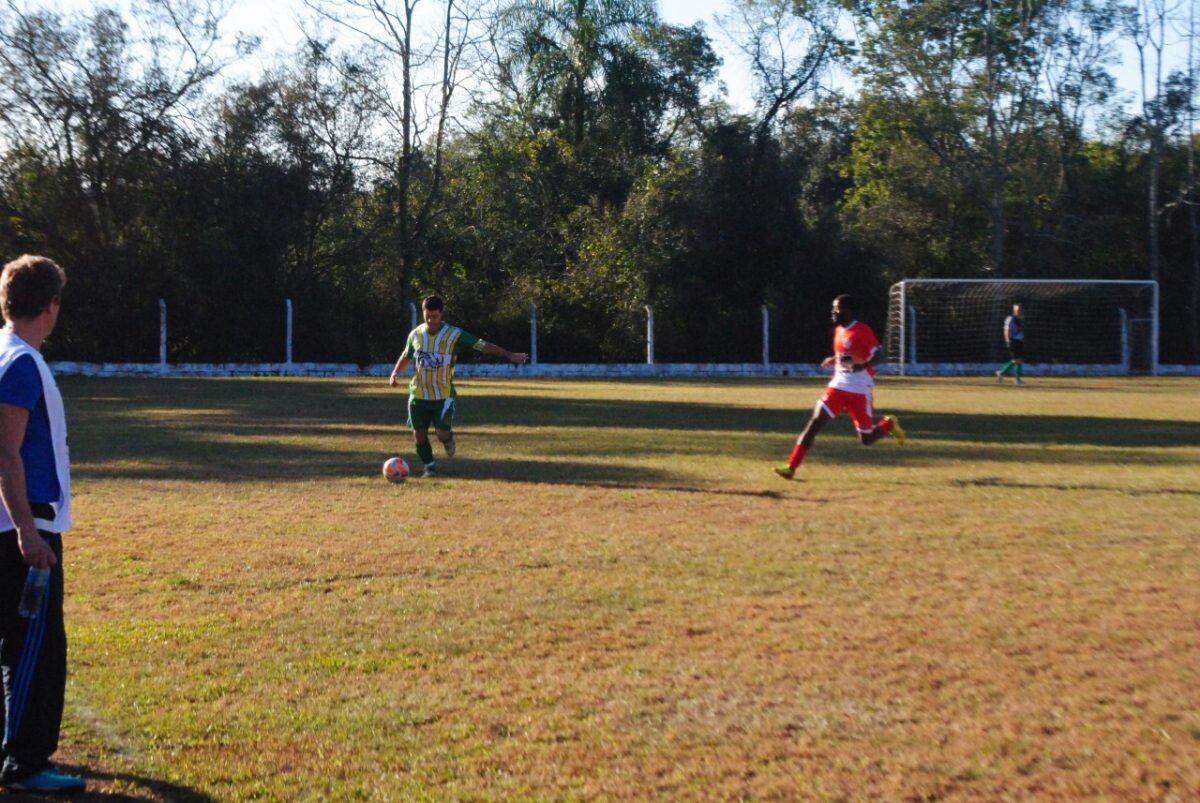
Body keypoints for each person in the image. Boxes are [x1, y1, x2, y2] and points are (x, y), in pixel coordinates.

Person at [0, 255, 84, 793]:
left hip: (15, 526)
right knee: (36, 647)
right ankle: (25, 762)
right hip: (23, 531)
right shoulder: (22, 363)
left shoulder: (9, 354)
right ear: (50, 306)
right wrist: (29, 531)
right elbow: (6, 451)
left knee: (19, 642)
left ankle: (17, 748)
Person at [389, 295, 528, 477]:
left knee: (442, 434)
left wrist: (509, 355)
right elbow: (407, 355)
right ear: (423, 313)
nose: (430, 320)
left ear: (442, 314)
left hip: (443, 396)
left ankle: (448, 439)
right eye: (427, 316)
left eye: (435, 316)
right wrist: (395, 373)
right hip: (418, 395)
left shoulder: (454, 334)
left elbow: (483, 346)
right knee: (419, 435)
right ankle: (429, 466)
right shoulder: (416, 334)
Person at [774, 294, 906, 480]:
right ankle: (790, 467)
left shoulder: (862, 330)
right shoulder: (838, 331)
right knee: (815, 422)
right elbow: (849, 355)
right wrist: (835, 359)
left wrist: (862, 366)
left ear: (848, 311)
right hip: (837, 386)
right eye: (833, 309)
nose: (833, 313)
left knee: (867, 439)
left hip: (860, 390)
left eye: (837, 309)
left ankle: (889, 424)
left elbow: (879, 356)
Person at [995, 303, 1025, 384]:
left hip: (1019, 341)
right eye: (1017, 309)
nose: (1018, 310)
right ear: (1014, 310)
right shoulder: (1010, 318)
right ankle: (1002, 373)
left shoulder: (1021, 318)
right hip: (1013, 341)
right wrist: (1007, 340)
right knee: (1015, 360)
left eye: (1019, 309)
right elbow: (1006, 330)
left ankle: (1016, 379)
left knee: (1019, 360)